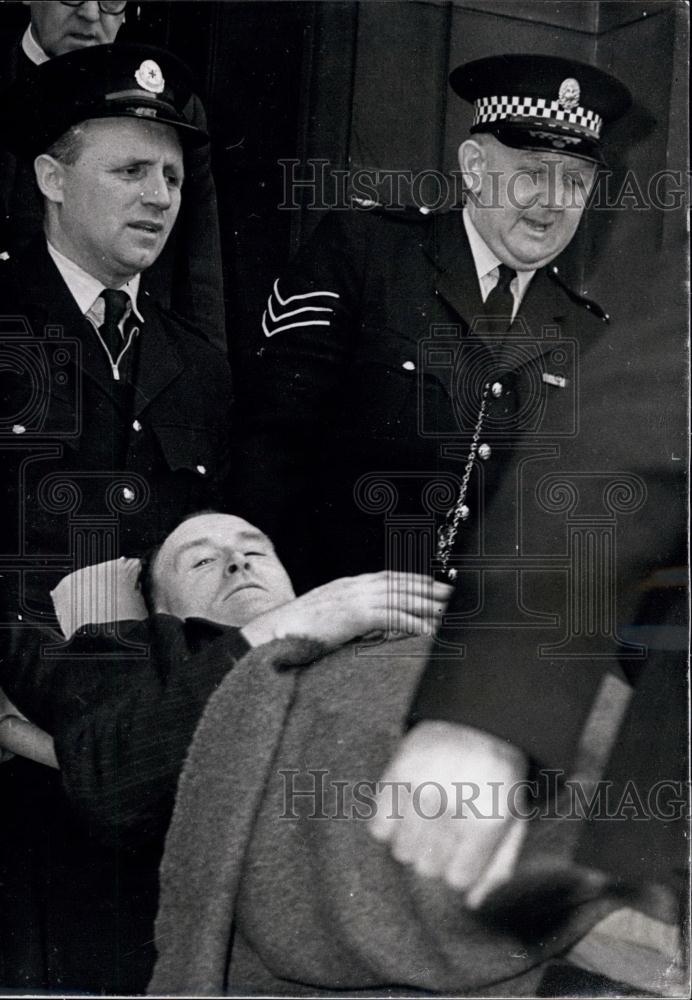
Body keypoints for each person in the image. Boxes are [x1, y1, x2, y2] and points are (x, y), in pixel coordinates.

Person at [0, 42, 232, 992]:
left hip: (142, 767)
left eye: (173, 175)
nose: (160, 197)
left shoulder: (198, 360)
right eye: (130, 169)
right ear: (54, 177)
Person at [232, 53, 632, 595]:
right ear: (473, 166)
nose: (552, 203)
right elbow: (268, 448)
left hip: (471, 660)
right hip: (326, 624)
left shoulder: (587, 336)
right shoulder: (368, 253)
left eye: (576, 183)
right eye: (533, 174)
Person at [2, 511, 450, 990]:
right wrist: (293, 625)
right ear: (160, 610)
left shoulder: (382, 627)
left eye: (255, 551)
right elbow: (117, 785)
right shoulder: (134, 651)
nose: (238, 563)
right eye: (200, 562)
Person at [0, 0, 226, 350]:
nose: (91, 14)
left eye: (111, 0)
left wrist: (206, 370)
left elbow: (198, 262)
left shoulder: (174, 102)